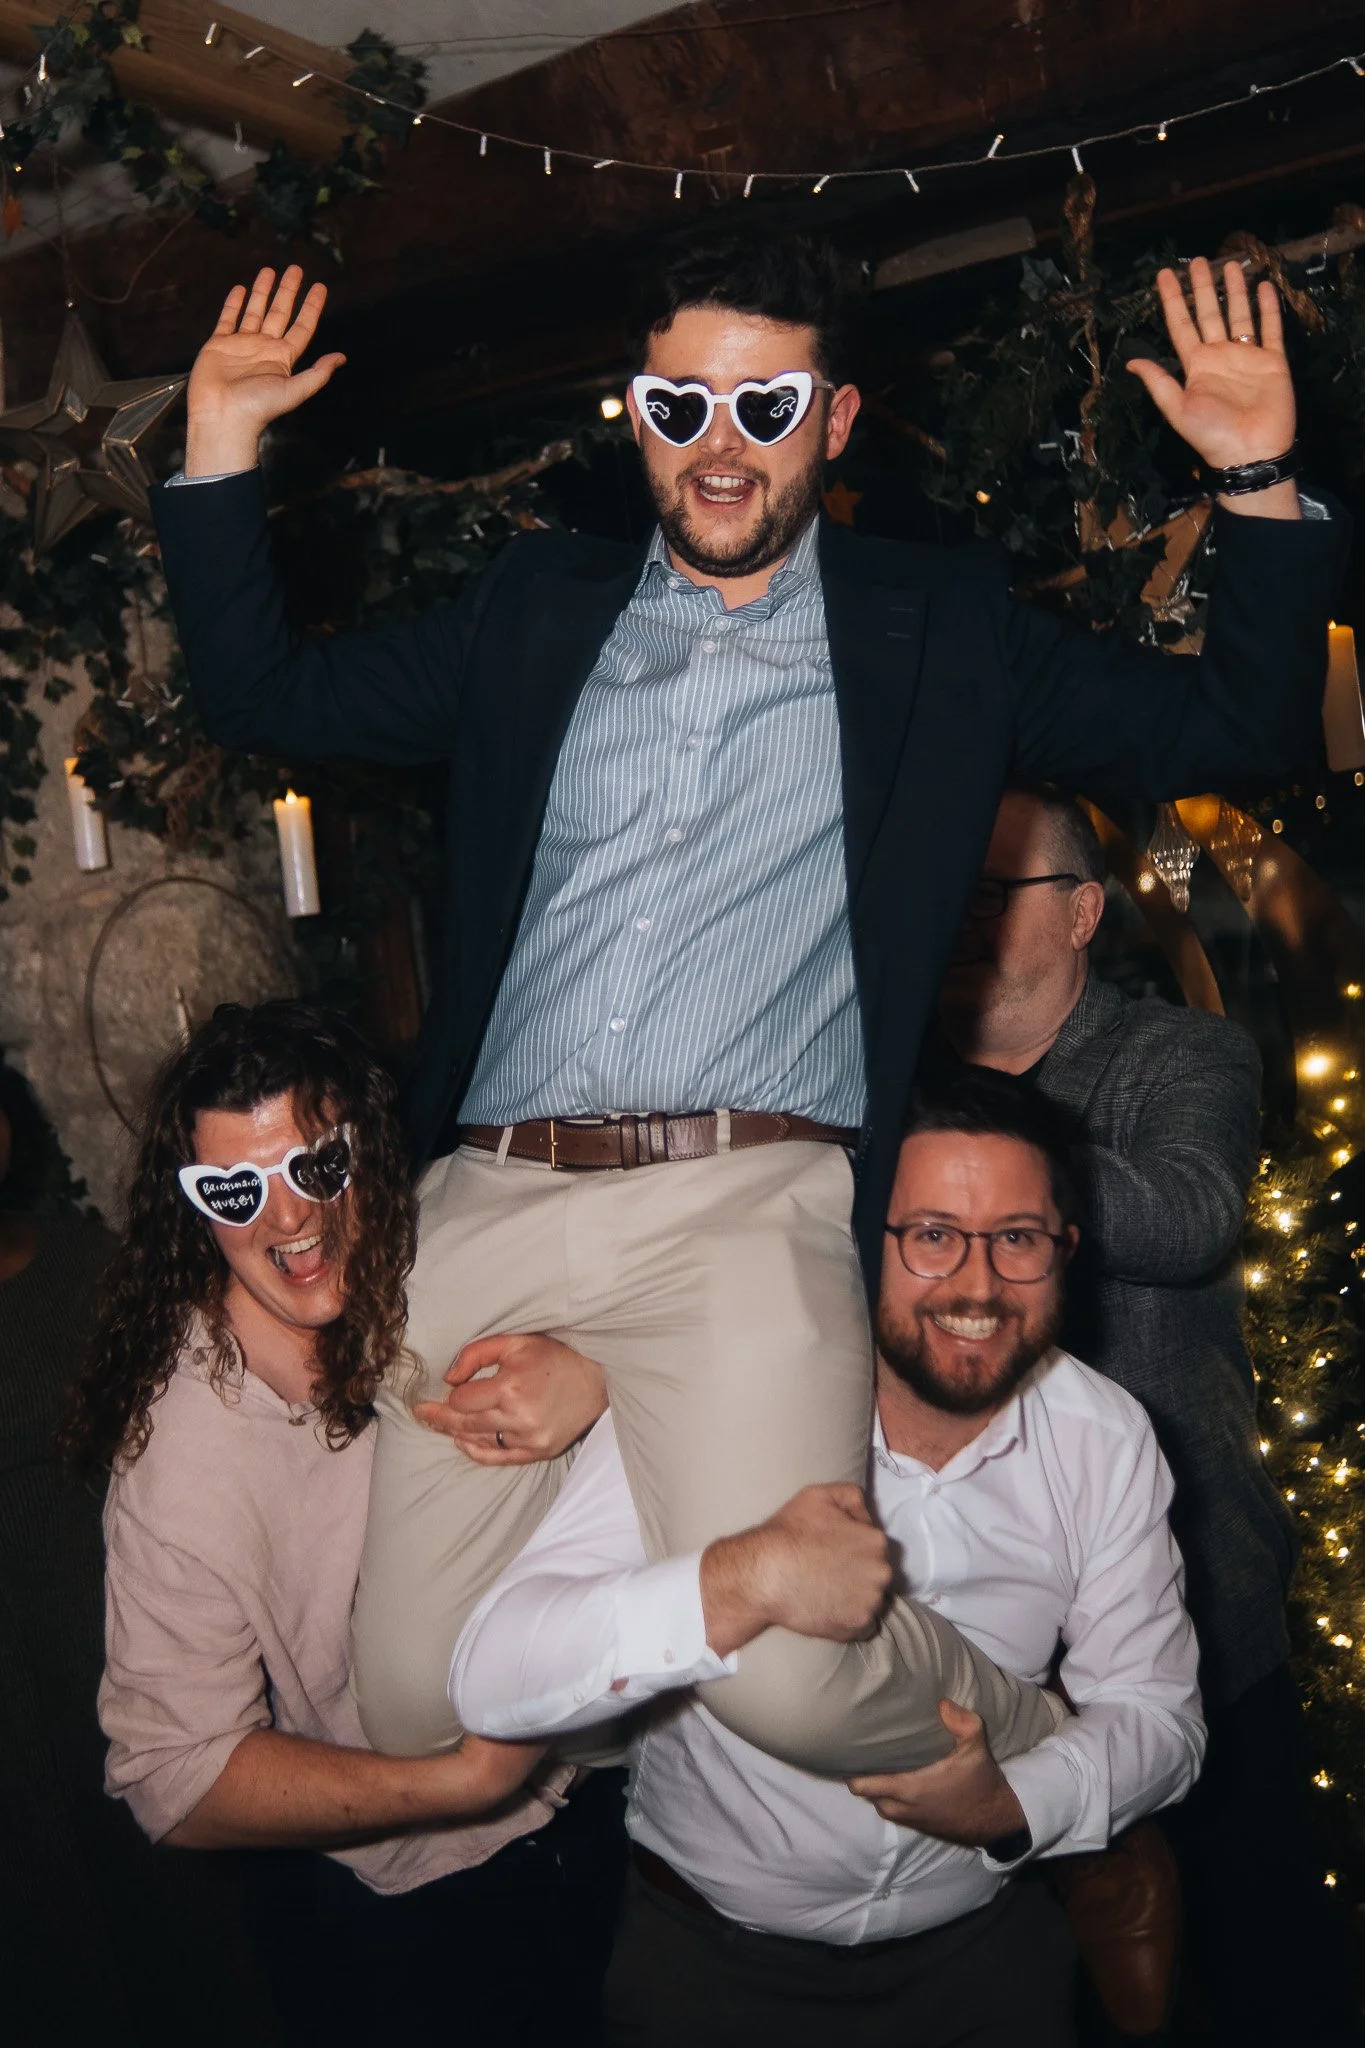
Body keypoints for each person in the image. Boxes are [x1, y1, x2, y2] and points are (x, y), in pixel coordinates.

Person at [150, 224, 1343, 1776]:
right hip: (489, 1199)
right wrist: (219, 446)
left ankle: (1081, 1763)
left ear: (831, 421)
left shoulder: (942, 631)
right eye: (680, 406)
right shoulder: (534, 607)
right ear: (637, 415)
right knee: (417, 1705)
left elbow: (1241, 727)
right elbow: (266, 696)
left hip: (747, 1207)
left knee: (795, 1696)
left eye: (765, 406)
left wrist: (1256, 479)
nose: (720, 448)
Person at [450, 1072, 1205, 2048]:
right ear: (858, 1237)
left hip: (984, 1955)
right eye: (931, 1234)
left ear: (1065, 1250)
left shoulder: (1105, 1435)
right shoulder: (718, 1398)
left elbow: (1159, 1715)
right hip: (711, 1964)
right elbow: (491, 1671)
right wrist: (738, 1579)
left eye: (1016, 1238)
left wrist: (1013, 1802)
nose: (976, 1285)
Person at [64, 1001, 626, 2048]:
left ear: (367, 1148)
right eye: (235, 1189)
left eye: (316, 1165)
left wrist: (597, 1375)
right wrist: (458, 1781)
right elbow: (172, 1774)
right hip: (411, 1925)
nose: (287, 1217)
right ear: (195, 1211)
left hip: (603, 1805)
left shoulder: (443, 1268)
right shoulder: (182, 1459)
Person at [935, 786, 1362, 2047]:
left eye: (997, 890)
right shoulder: (905, 1072)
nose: (964, 915)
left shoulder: (1181, 1055)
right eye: (953, 889)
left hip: (1193, 1604)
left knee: (1257, 1978)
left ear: (1082, 912)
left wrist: (969, 1161)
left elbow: (1186, 1217)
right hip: (976, 1624)